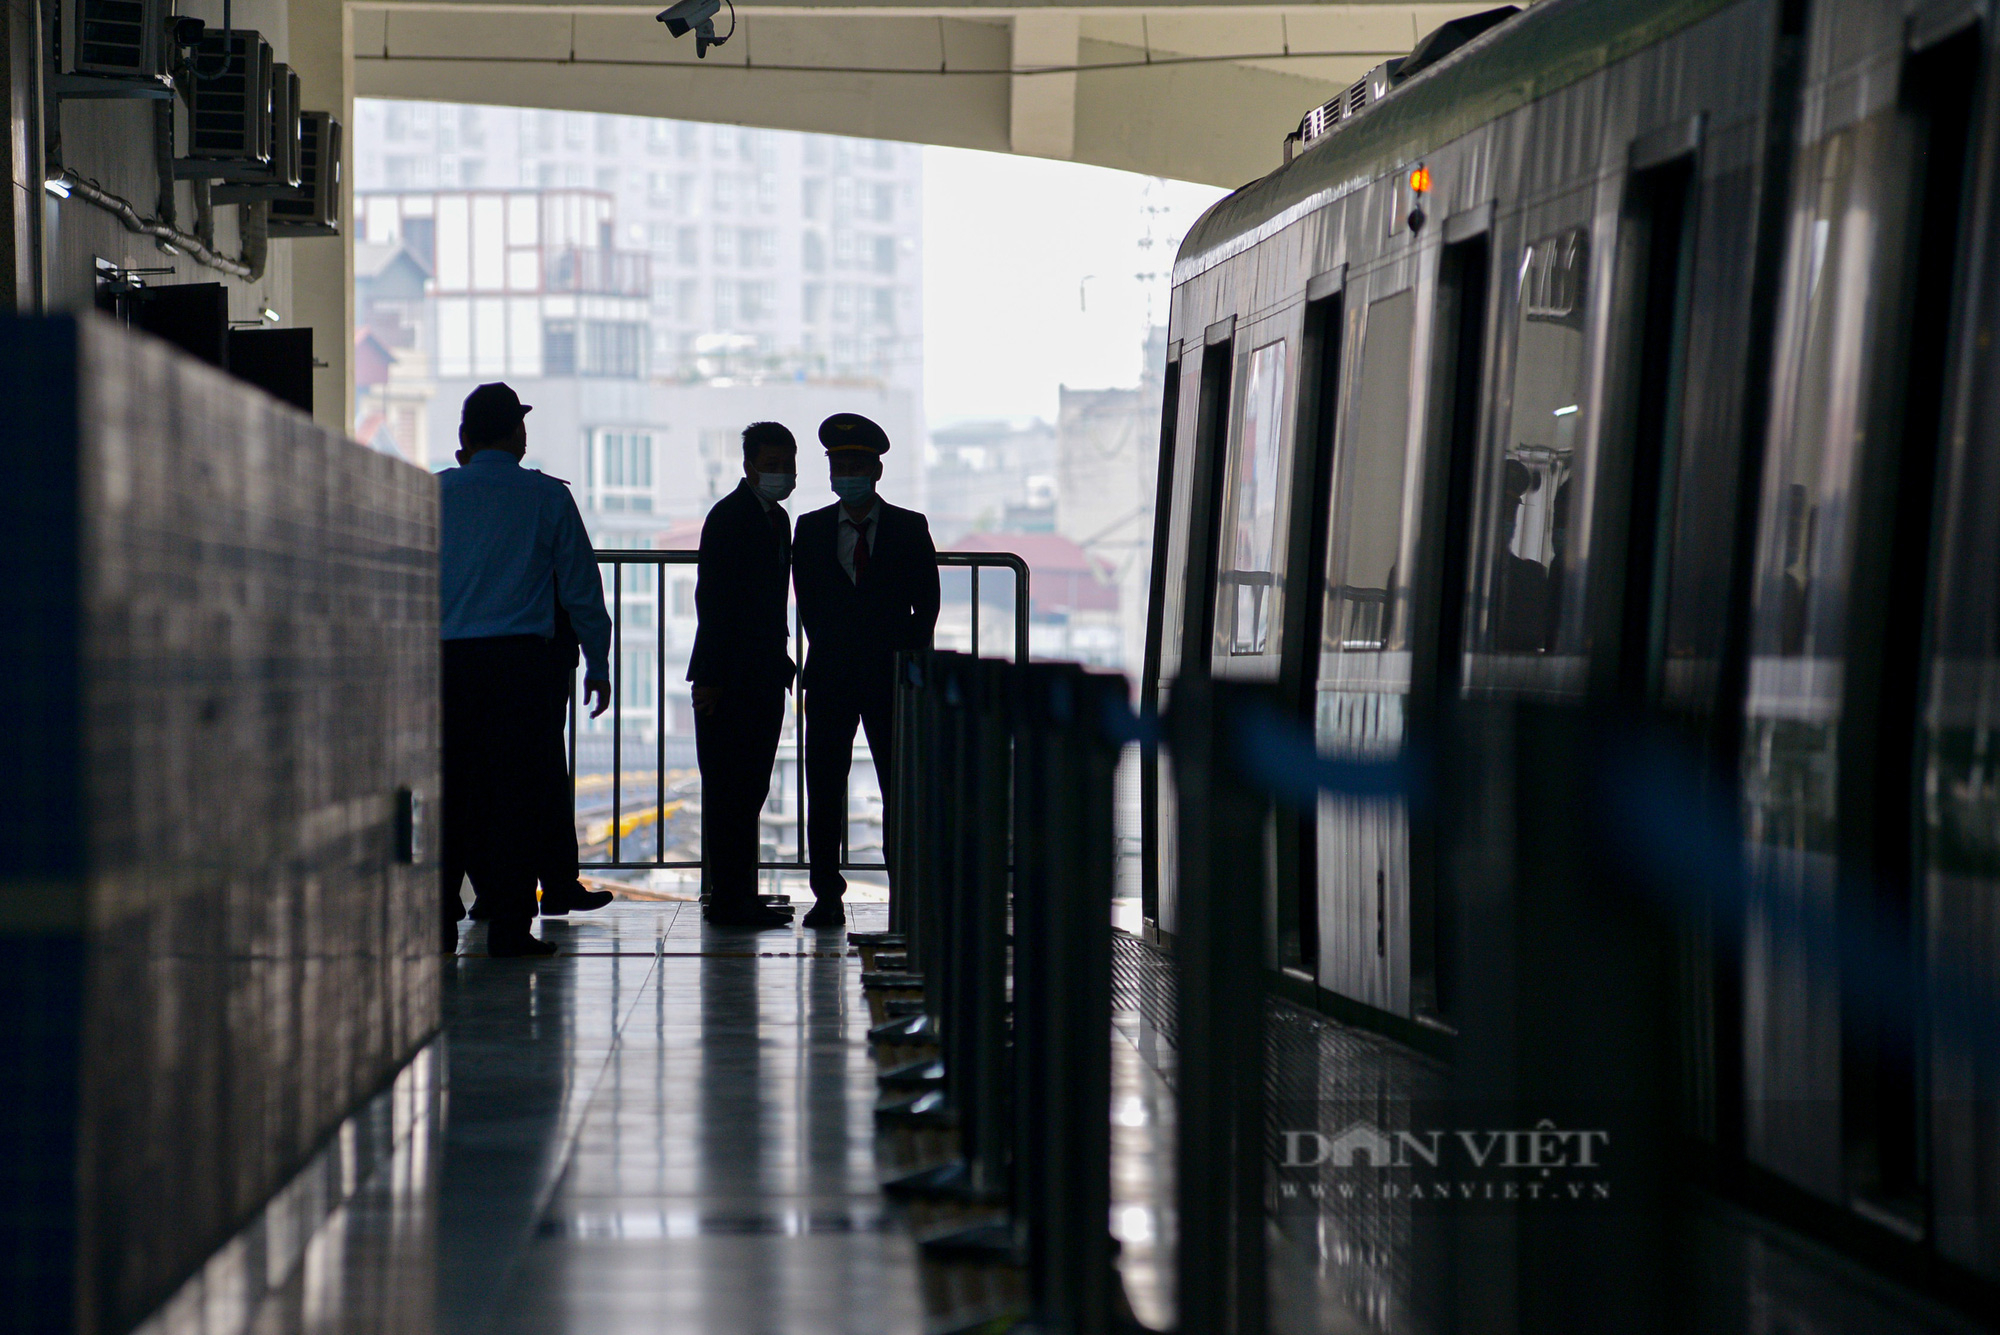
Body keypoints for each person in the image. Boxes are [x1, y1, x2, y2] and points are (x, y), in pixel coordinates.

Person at [439, 383, 612, 957]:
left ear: (464, 437)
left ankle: (438, 919)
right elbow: (584, 589)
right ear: (518, 434)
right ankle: (511, 929)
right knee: (517, 795)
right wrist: (599, 660)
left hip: (446, 664)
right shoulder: (546, 497)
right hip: (523, 668)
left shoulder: (430, 494)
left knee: (451, 790)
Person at [791, 413, 940, 928]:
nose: (846, 472)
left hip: (889, 675)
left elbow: (928, 603)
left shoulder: (908, 526)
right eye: (839, 464)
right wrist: (832, 646)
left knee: (898, 786)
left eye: (856, 464)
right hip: (830, 673)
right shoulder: (809, 529)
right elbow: (808, 601)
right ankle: (826, 893)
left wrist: (907, 659)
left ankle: (909, 891)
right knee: (824, 786)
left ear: (876, 471)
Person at [690, 422, 801, 929]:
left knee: (750, 788)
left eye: (787, 464)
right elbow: (712, 603)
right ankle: (730, 900)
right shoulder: (729, 517)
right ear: (749, 466)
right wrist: (710, 677)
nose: (781, 474)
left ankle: (740, 896)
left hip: (761, 673)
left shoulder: (777, 520)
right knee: (729, 792)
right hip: (727, 678)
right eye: (772, 464)